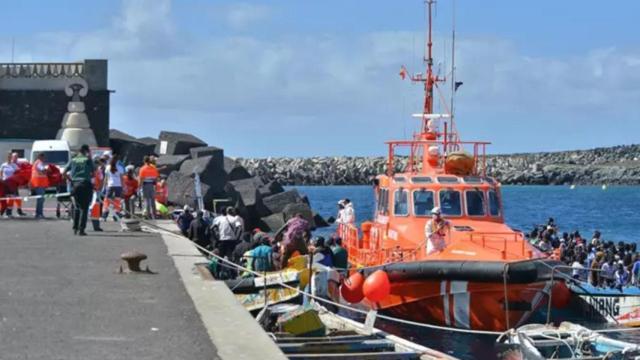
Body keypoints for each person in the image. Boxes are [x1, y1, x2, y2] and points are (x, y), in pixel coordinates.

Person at [63, 145, 94, 235]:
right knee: (84, 208)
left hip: (75, 185)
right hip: (85, 184)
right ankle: (81, 229)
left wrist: (71, 180)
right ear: (86, 151)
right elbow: (93, 172)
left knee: (76, 207)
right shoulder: (88, 160)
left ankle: (75, 228)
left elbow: (64, 173)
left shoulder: (73, 159)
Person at [0, 152, 27, 217]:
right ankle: (3, 211)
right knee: (3, 198)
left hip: (12, 184)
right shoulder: (3, 165)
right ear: (7, 158)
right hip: (4, 184)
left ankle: (9, 213)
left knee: (11, 198)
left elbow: (19, 173)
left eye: (10, 157)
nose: (9, 158)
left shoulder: (14, 165)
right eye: (8, 157)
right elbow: (1, 173)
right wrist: (1, 179)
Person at [102, 155, 124, 220]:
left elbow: (106, 178)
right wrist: (123, 187)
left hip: (110, 185)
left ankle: (105, 213)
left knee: (107, 200)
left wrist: (104, 186)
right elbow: (121, 178)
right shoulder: (120, 168)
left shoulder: (108, 167)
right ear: (117, 161)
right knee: (117, 199)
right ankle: (116, 213)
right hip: (118, 185)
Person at [30, 152, 49, 219]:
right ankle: (39, 214)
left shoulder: (36, 163)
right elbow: (42, 170)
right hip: (39, 184)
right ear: (41, 157)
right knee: (41, 199)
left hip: (37, 183)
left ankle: (38, 213)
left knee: (40, 199)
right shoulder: (39, 163)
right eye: (43, 157)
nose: (44, 159)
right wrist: (47, 170)